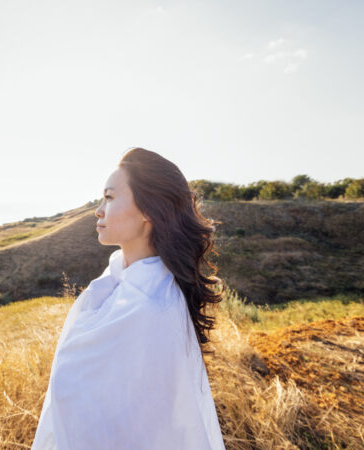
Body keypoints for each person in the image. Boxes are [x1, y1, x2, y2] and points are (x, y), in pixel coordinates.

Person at [31, 148, 226, 450]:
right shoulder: (110, 286)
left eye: (108, 198)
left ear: (148, 211)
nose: (98, 210)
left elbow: (147, 431)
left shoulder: (152, 308)